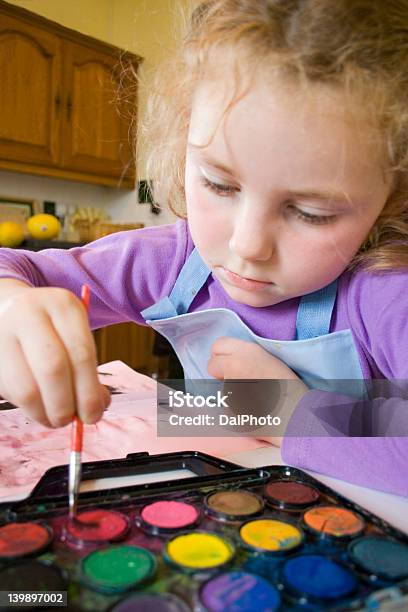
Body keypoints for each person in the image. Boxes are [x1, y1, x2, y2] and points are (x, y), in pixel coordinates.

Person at [0, 0, 407, 494]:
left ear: (392, 196)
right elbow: (13, 267)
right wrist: (10, 303)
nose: (247, 245)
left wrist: (284, 412)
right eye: (219, 184)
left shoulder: (386, 290)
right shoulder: (172, 262)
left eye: (311, 212)